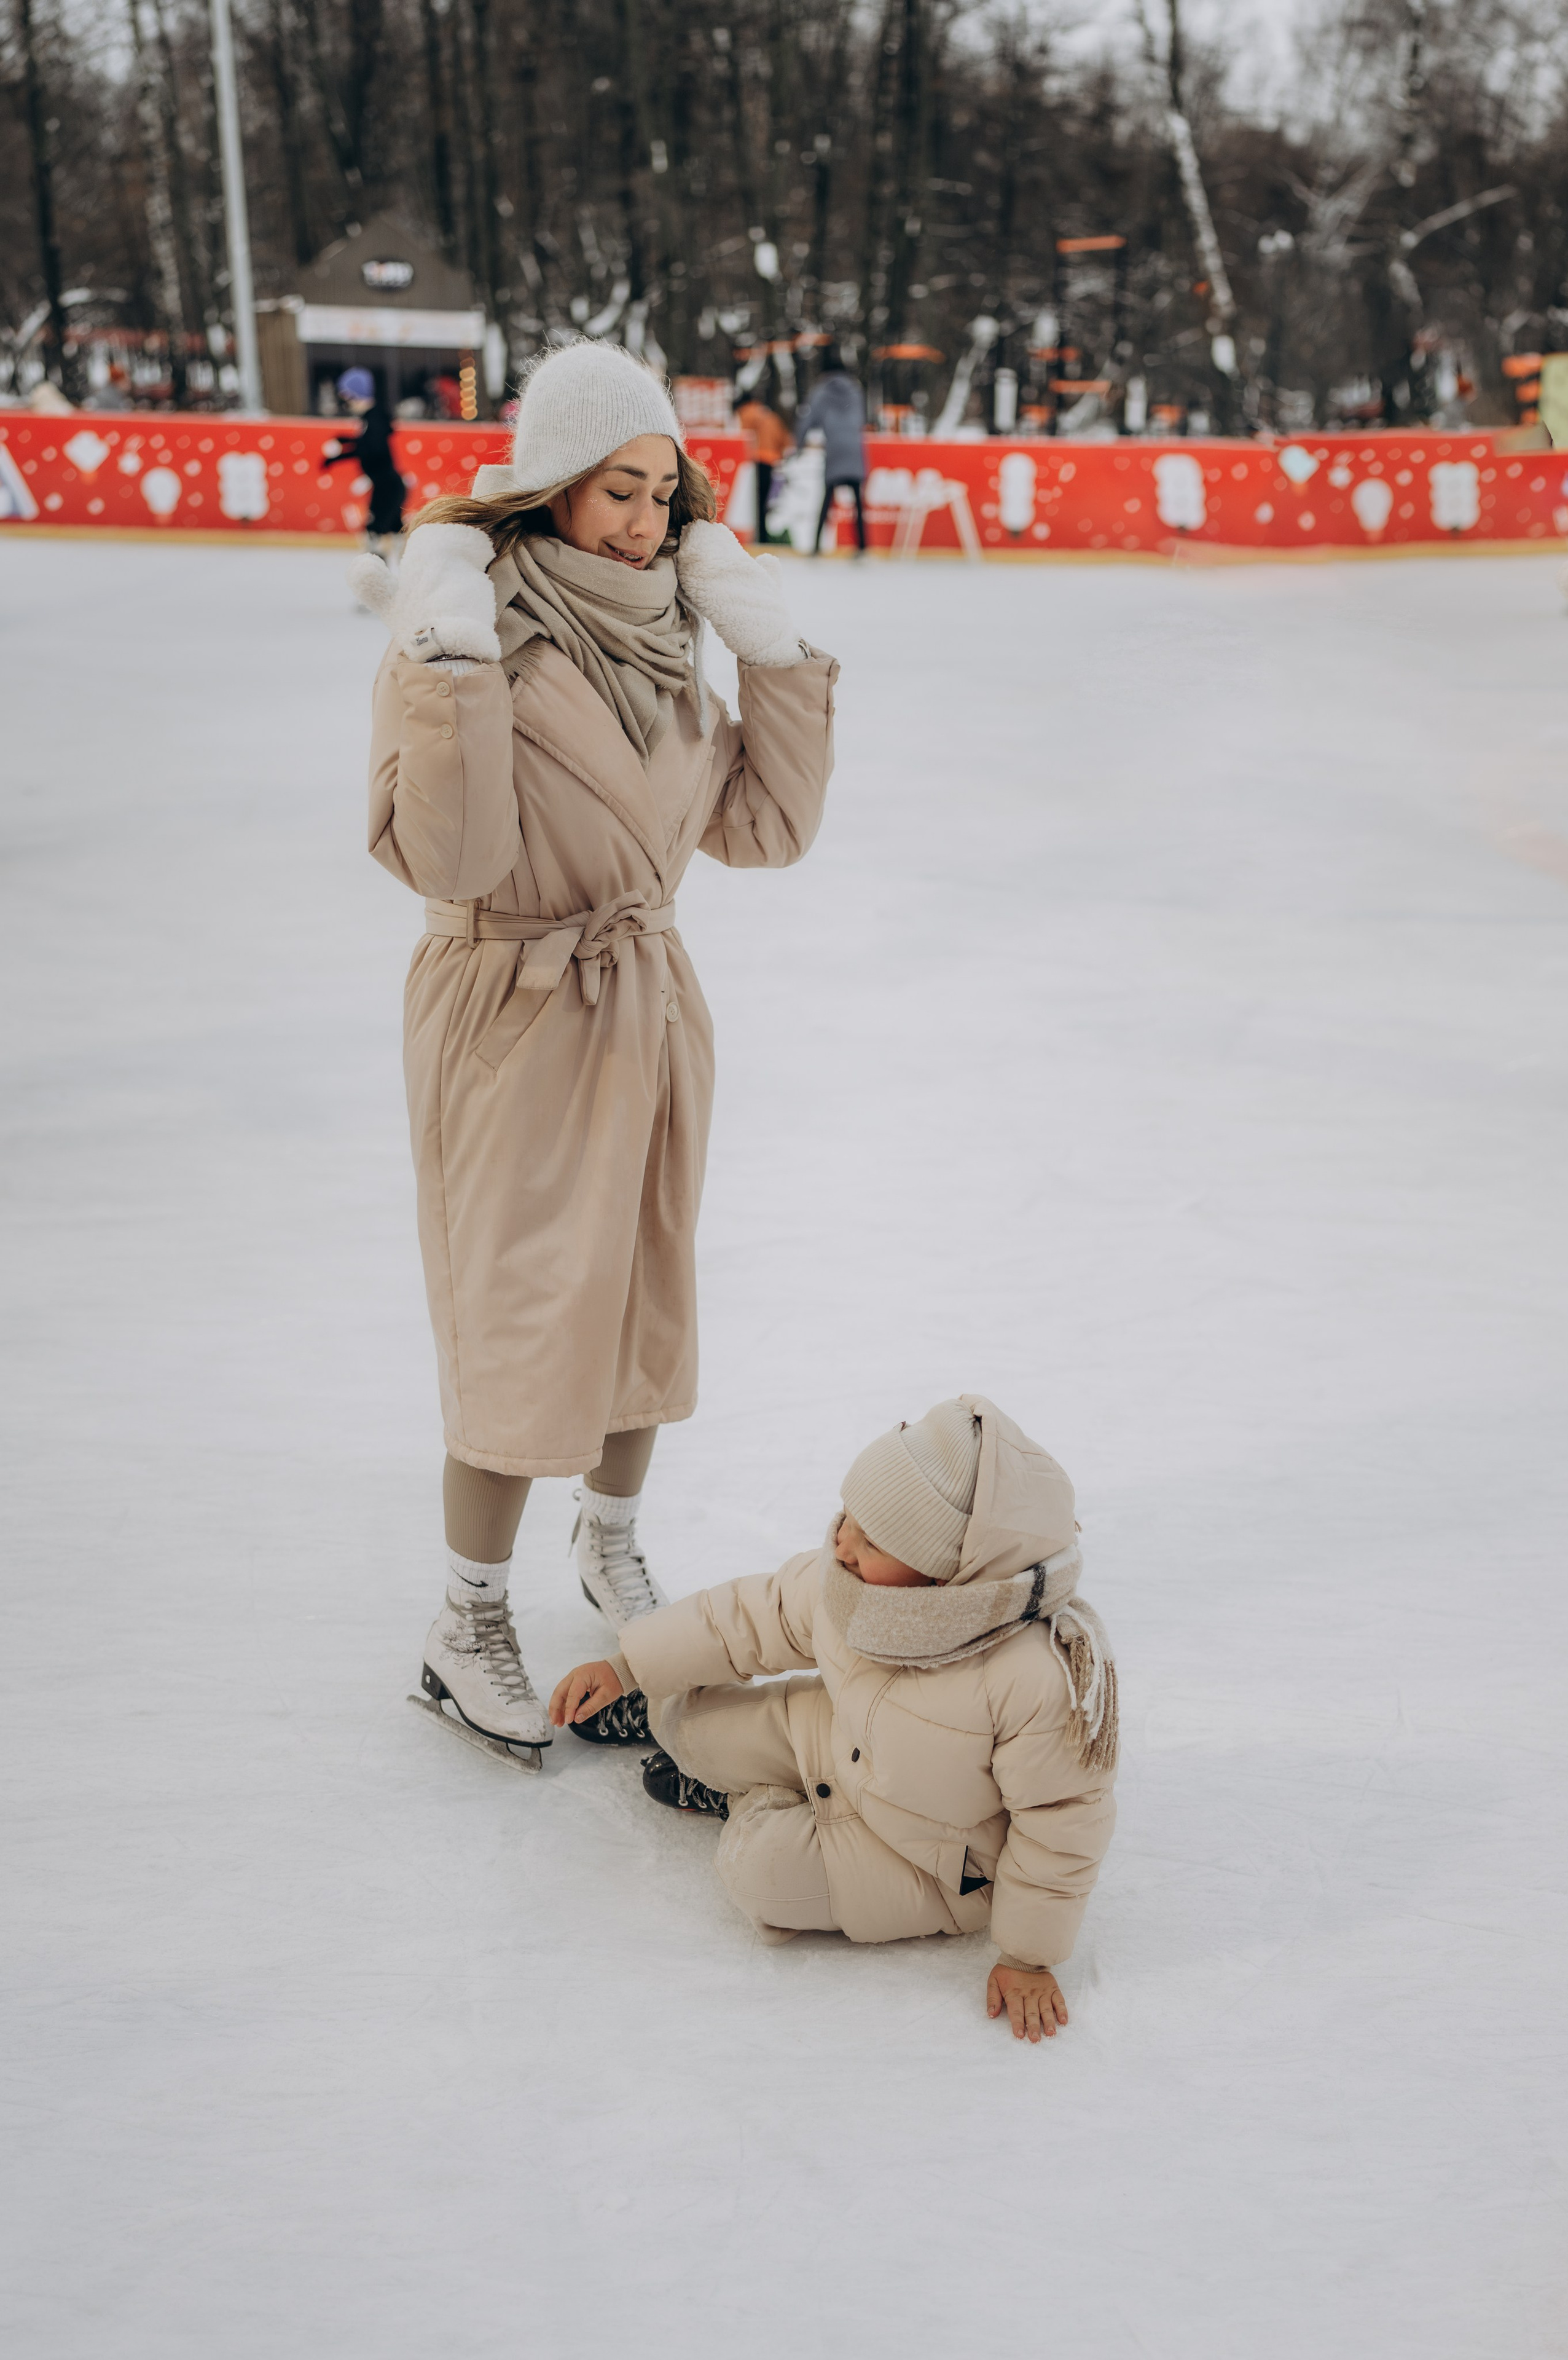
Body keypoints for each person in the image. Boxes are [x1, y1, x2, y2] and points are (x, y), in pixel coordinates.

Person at [352, 341, 839, 1758]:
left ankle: (610, 1541)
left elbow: (763, 830)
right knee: (519, 1312)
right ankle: (466, 1612)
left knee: (640, 1293)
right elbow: (453, 851)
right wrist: (446, 664)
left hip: (643, 992)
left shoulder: (668, 621)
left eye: (661, 493)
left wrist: (772, 651)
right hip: (509, 999)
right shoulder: (472, 621)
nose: (644, 521)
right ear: (551, 487)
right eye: (618, 492)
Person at [550, 1396, 1118, 2043]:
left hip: (934, 1860)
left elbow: (1061, 1824)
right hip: (839, 1739)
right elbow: (749, 1616)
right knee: (688, 1717)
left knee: (760, 1873)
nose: (841, 1542)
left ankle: (746, 1803)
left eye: (872, 1540)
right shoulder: (853, 1581)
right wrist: (627, 1666)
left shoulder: (1038, 1678)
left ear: (943, 1576)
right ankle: (705, 1753)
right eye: (848, 1515)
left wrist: (1028, 1956)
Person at [323, 367, 406, 556]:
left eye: (348, 398)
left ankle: (377, 574)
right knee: (391, 533)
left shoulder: (374, 418)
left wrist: (339, 456)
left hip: (388, 487)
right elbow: (368, 443)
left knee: (375, 532)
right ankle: (389, 572)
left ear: (356, 395)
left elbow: (372, 449)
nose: (347, 403)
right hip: (387, 485)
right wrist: (346, 441)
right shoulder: (371, 418)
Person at [796, 348, 868, 555]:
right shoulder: (855, 390)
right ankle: (862, 547)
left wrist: (800, 444)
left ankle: (817, 546)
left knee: (827, 499)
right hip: (855, 447)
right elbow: (861, 418)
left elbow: (808, 420)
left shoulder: (822, 390)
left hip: (835, 448)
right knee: (857, 502)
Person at [734, 388, 792, 545]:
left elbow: (742, 438)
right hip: (771, 462)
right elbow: (785, 440)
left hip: (755, 461)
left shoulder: (745, 413)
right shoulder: (771, 416)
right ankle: (763, 535)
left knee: (755, 502)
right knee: (764, 501)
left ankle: (759, 537)